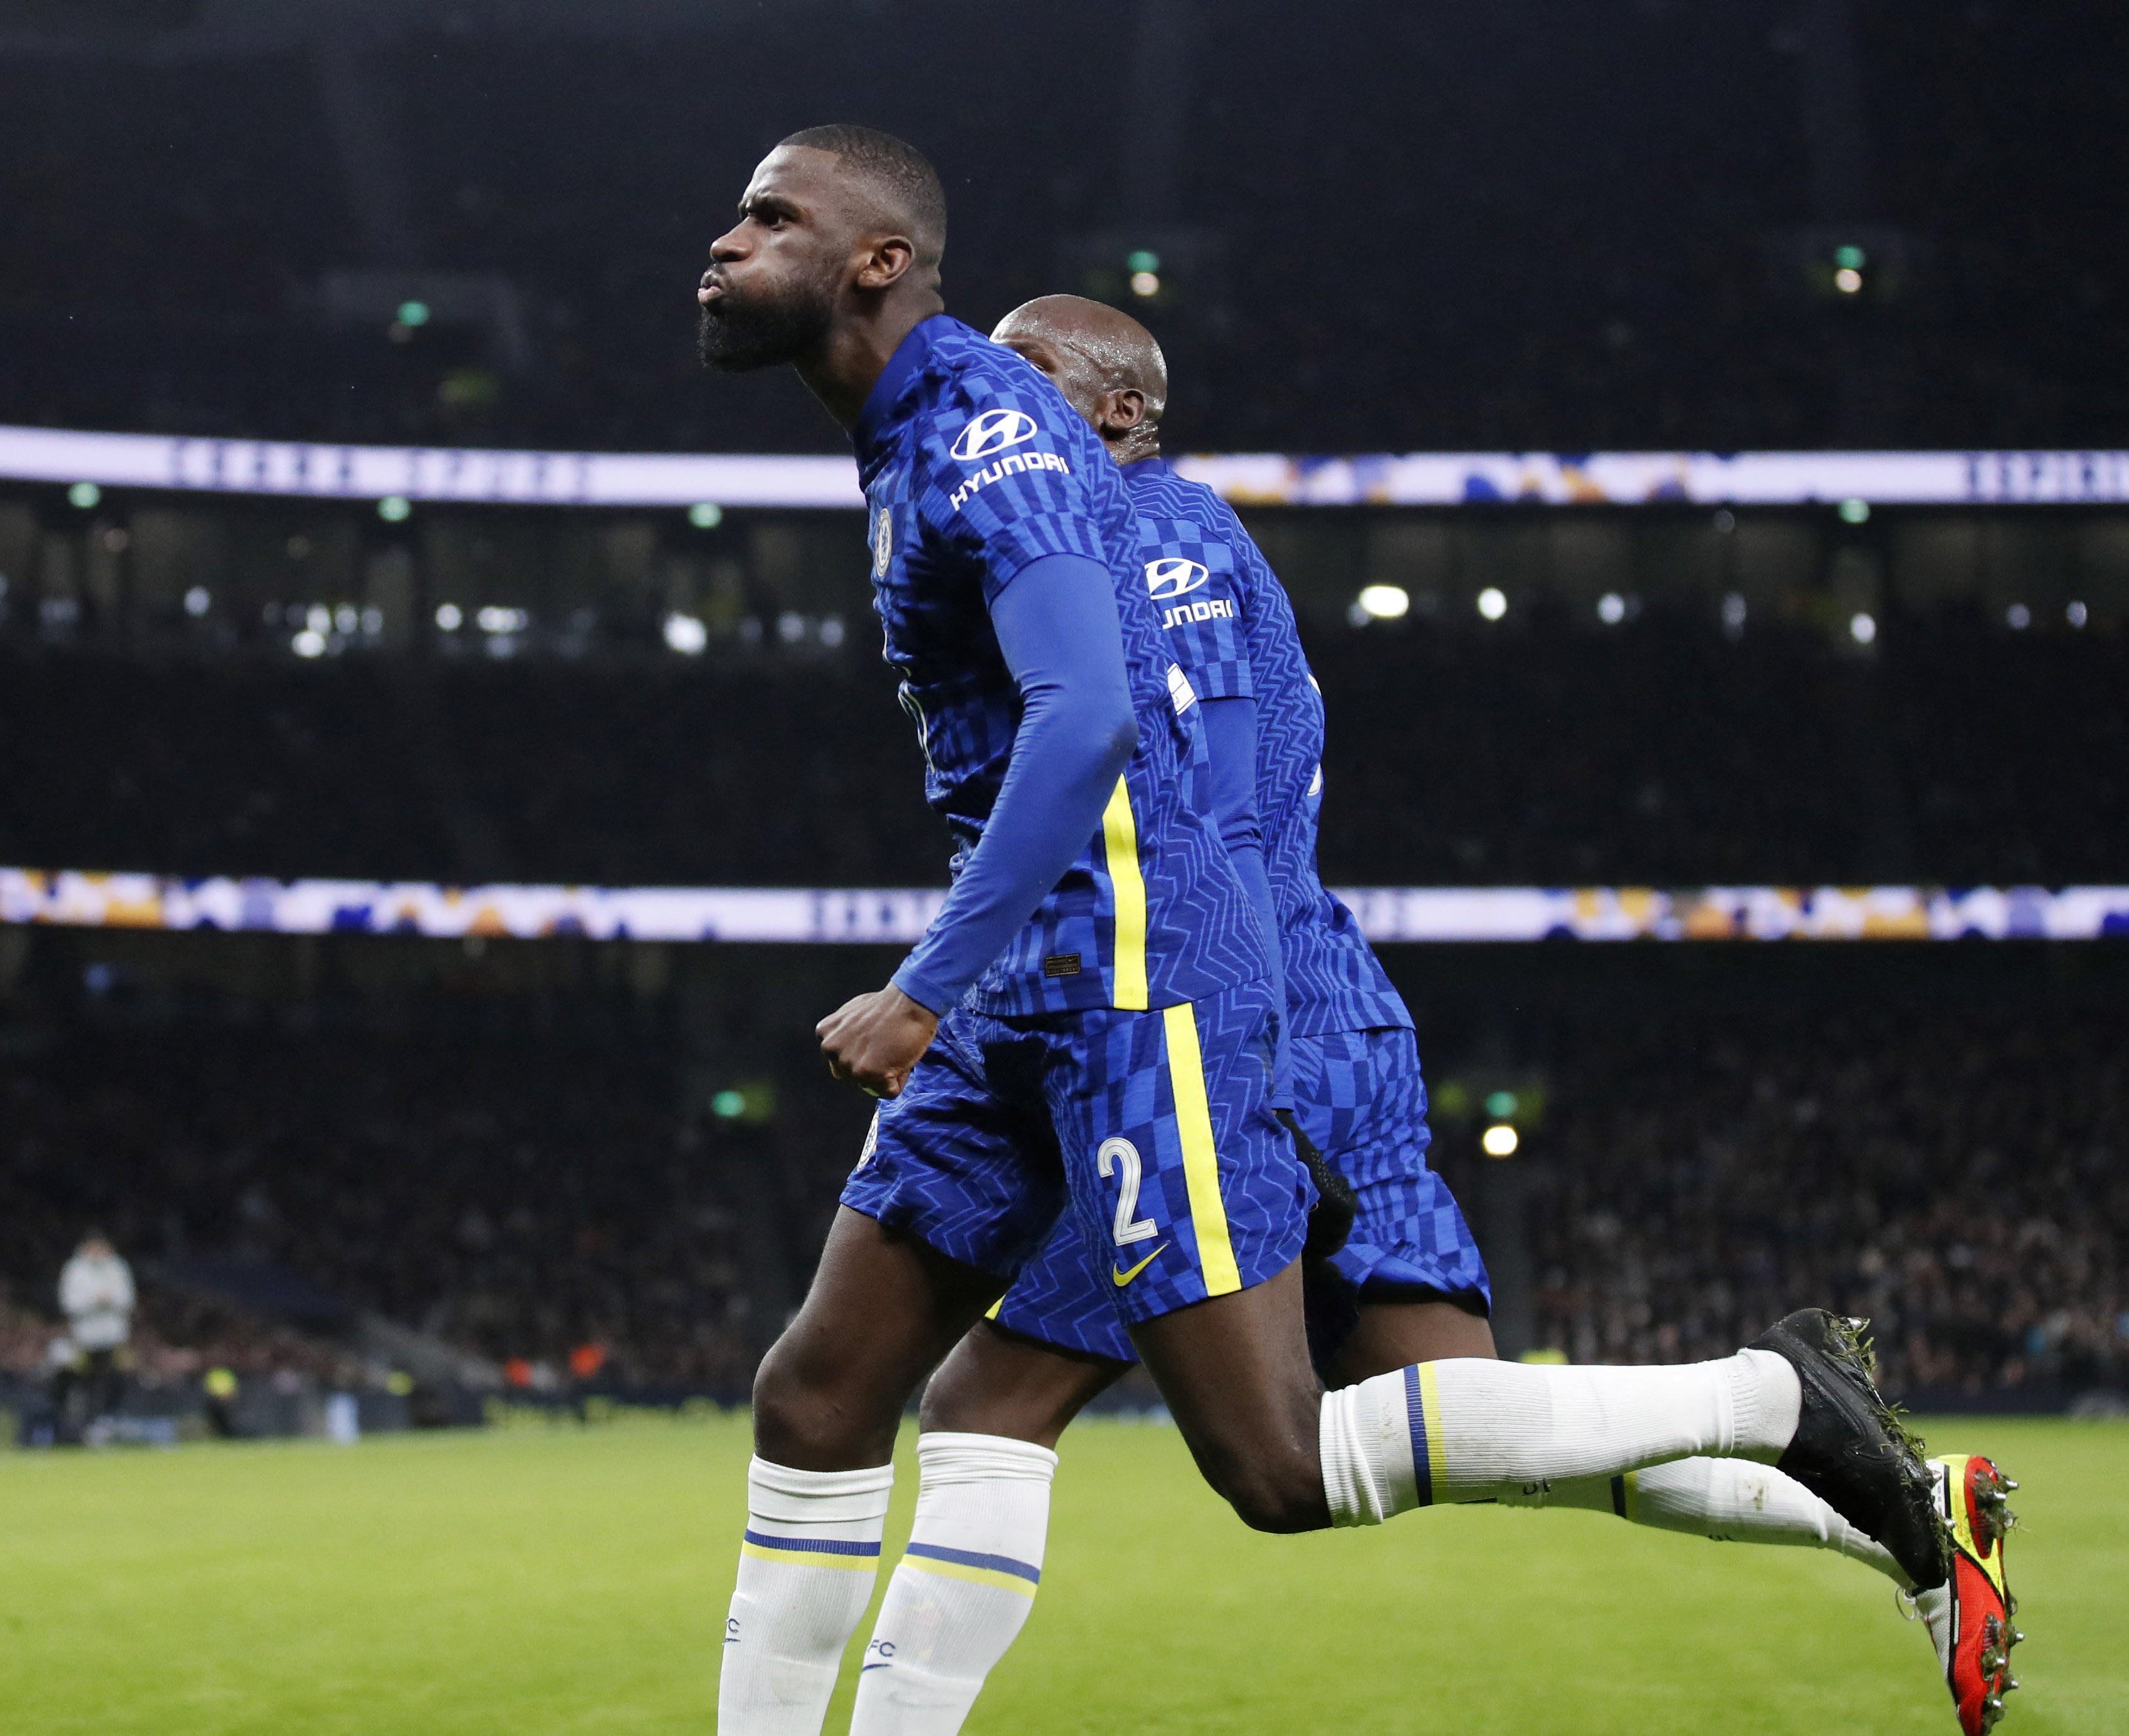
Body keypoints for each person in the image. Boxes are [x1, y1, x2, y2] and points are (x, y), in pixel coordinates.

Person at [693, 125, 1943, 1736]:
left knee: (1283, 1460)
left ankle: (1773, 1395)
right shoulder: (941, 435)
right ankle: (1871, 1489)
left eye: (770, 214)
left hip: (1158, 985)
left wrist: (929, 983)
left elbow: (1110, 747)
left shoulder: (1044, 468)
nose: (725, 243)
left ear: (879, 260)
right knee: (826, 1392)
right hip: (1074, 974)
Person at [913, 293, 2020, 1736]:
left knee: (997, 1408)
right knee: (1486, 1424)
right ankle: (1913, 1514)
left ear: (1122, 411)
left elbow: (1189, 826)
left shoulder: (1137, 542)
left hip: (1222, 1028)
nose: (990, 404)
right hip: (1312, 1010)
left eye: (1027, 375)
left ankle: (1773, 1389)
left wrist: (1210, 1049)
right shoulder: (1175, 537)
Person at [57, 1231, 136, 1431]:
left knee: (115, 1379)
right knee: (85, 1381)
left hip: (113, 1337)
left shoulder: (117, 1267)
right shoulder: (75, 1270)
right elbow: (69, 1303)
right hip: (85, 1338)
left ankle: (107, 1421)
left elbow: (128, 1300)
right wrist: (95, 1301)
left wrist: (110, 1300)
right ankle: (83, 1425)